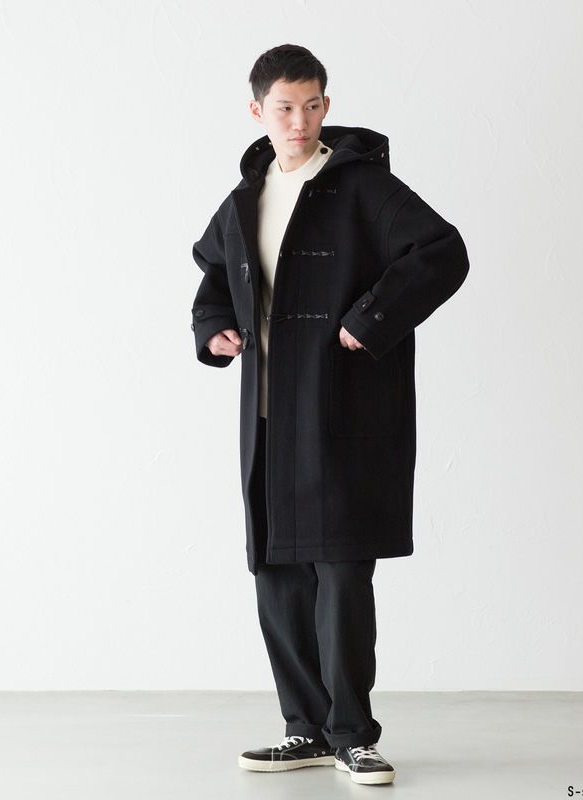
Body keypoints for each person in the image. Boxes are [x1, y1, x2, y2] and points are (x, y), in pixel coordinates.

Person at [189, 44, 469, 786]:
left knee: (341, 571)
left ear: (326, 106)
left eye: (313, 105)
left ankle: (353, 735)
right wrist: (213, 328)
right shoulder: (246, 197)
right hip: (268, 418)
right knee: (278, 573)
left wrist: (371, 317)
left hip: (341, 410)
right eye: (285, 107)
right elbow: (214, 272)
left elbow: (442, 251)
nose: (301, 121)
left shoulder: (361, 186)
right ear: (258, 111)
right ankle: (304, 729)